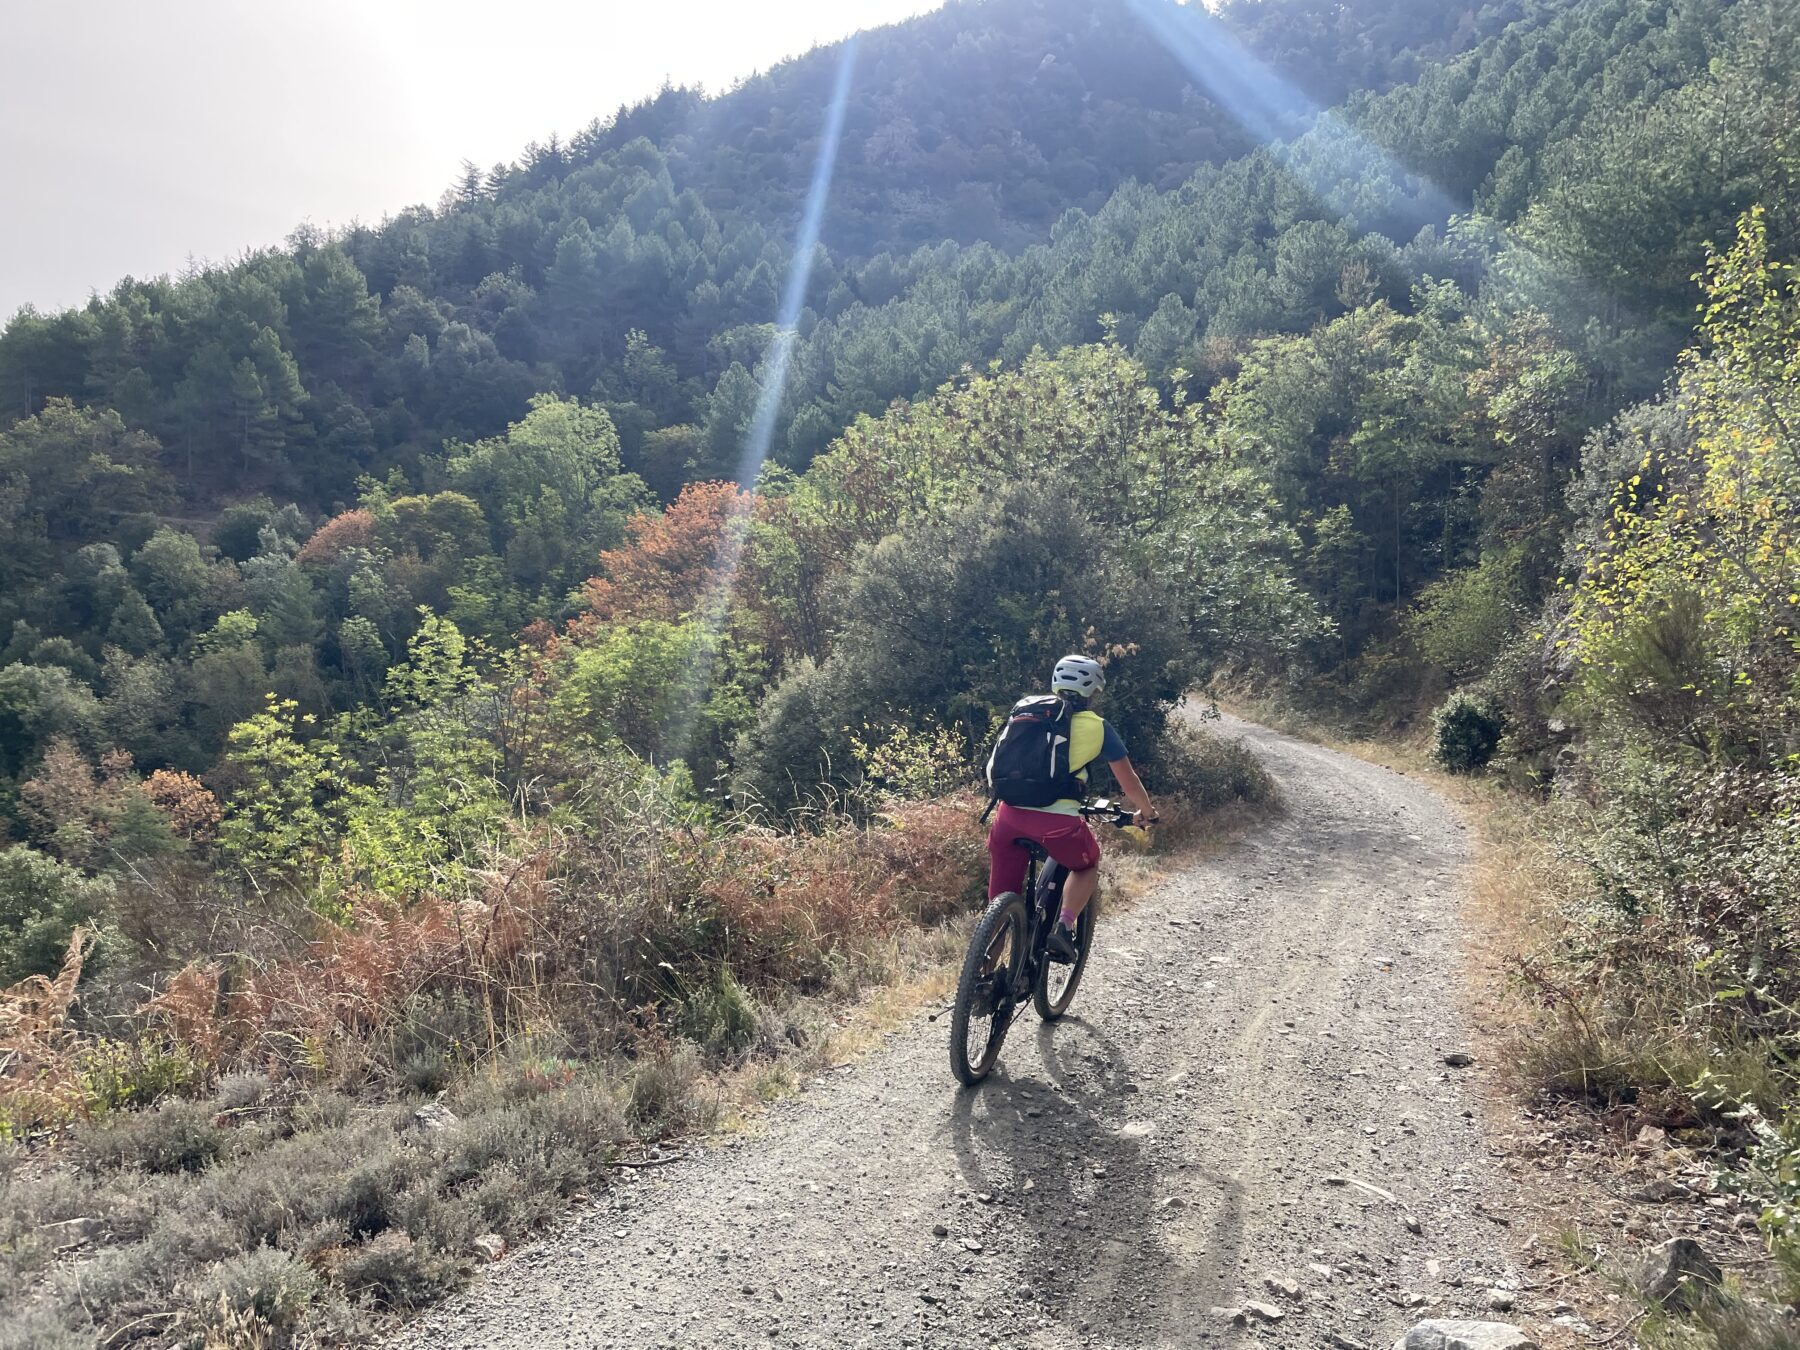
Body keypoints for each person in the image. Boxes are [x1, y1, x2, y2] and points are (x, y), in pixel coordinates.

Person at [985, 655, 1158, 961]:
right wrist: (1147, 812)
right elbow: (1128, 782)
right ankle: (1063, 928)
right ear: (1093, 691)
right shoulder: (1099, 728)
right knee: (1087, 863)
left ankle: (981, 981)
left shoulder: (1028, 709)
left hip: (1008, 816)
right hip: (1057, 825)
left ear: (1055, 682)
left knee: (998, 907)